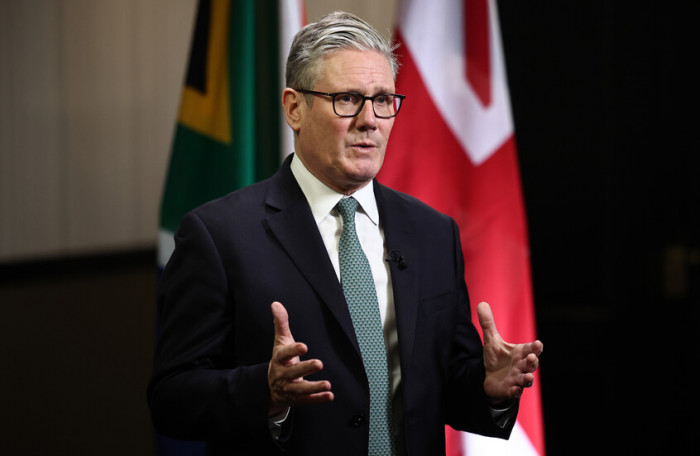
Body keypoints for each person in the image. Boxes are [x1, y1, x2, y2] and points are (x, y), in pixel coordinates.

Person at [148, 11, 543, 456]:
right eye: (348, 99)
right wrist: (266, 390)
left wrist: (489, 387)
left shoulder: (432, 233)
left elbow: (442, 385)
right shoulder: (219, 235)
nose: (369, 120)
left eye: (383, 100)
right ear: (294, 108)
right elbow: (171, 399)